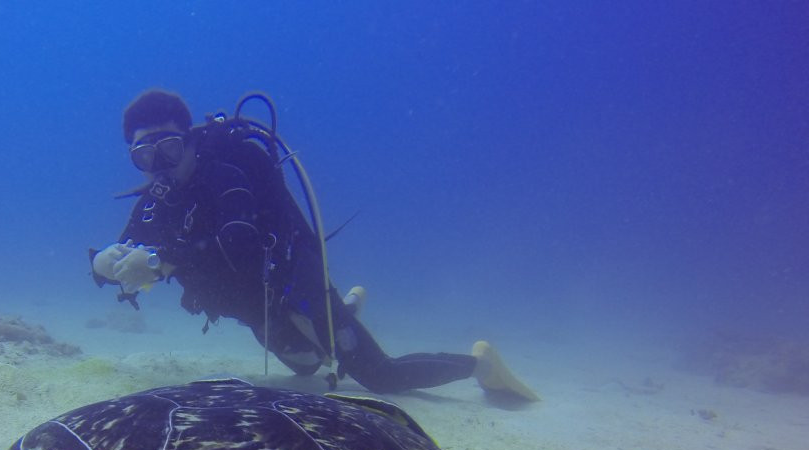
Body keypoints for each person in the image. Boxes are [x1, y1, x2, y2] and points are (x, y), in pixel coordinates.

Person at [91, 89, 538, 401]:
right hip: (254, 307)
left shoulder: (225, 176)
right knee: (305, 368)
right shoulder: (158, 200)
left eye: (167, 149)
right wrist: (105, 265)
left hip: (290, 281)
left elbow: (241, 254)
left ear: (189, 141)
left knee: (377, 375)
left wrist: (162, 261)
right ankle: (342, 313)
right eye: (143, 156)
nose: (158, 166)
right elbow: (122, 251)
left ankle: (481, 365)